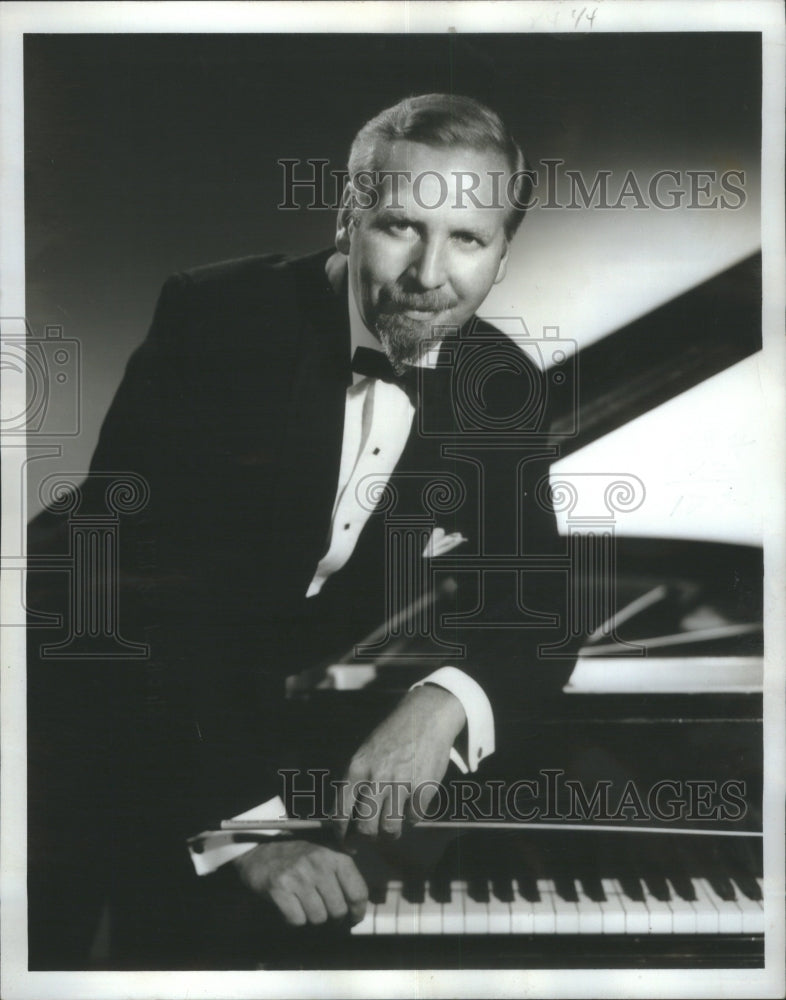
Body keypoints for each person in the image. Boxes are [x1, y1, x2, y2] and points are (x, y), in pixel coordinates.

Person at [26, 93, 575, 969]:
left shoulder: (499, 382)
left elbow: (539, 603)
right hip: (76, 683)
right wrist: (251, 832)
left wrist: (442, 704)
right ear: (346, 220)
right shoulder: (219, 323)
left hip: (240, 700)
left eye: (468, 238)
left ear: (504, 256)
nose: (430, 272)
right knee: (53, 947)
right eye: (401, 224)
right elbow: (134, 609)